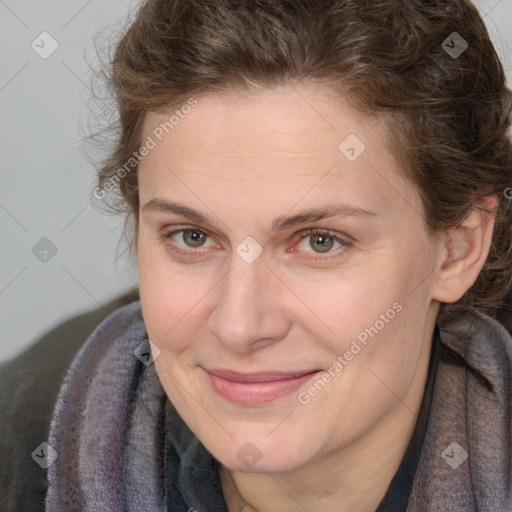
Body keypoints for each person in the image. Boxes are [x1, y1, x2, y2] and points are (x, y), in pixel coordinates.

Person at [1, 0, 512, 510]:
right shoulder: (21, 448)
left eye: (319, 241)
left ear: (456, 249)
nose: (239, 326)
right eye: (192, 237)